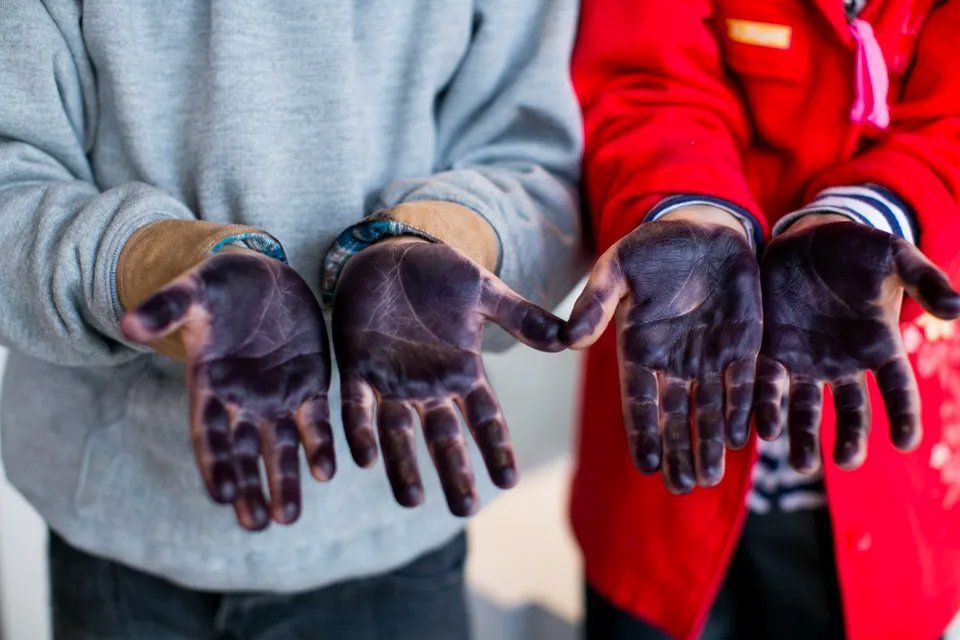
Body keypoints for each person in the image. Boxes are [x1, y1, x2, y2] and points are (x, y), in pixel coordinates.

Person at [0, 1, 583, 638]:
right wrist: (150, 263)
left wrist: (439, 240)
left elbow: (535, 160)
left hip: (390, 526)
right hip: (118, 523)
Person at [569, 1, 960, 638]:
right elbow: (641, 77)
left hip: (889, 453)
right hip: (675, 398)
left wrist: (869, 216)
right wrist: (689, 210)